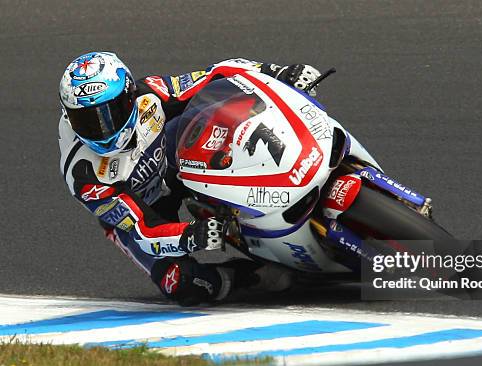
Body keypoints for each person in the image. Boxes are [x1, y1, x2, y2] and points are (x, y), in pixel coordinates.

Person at [58, 52, 320, 306]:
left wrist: (277, 73)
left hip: (173, 159)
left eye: (110, 112)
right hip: (145, 210)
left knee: (221, 114)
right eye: (88, 120)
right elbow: (143, 229)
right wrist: (191, 234)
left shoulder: (150, 95)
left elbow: (215, 73)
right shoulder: (85, 176)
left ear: (130, 97)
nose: (103, 130)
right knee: (184, 284)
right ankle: (253, 277)